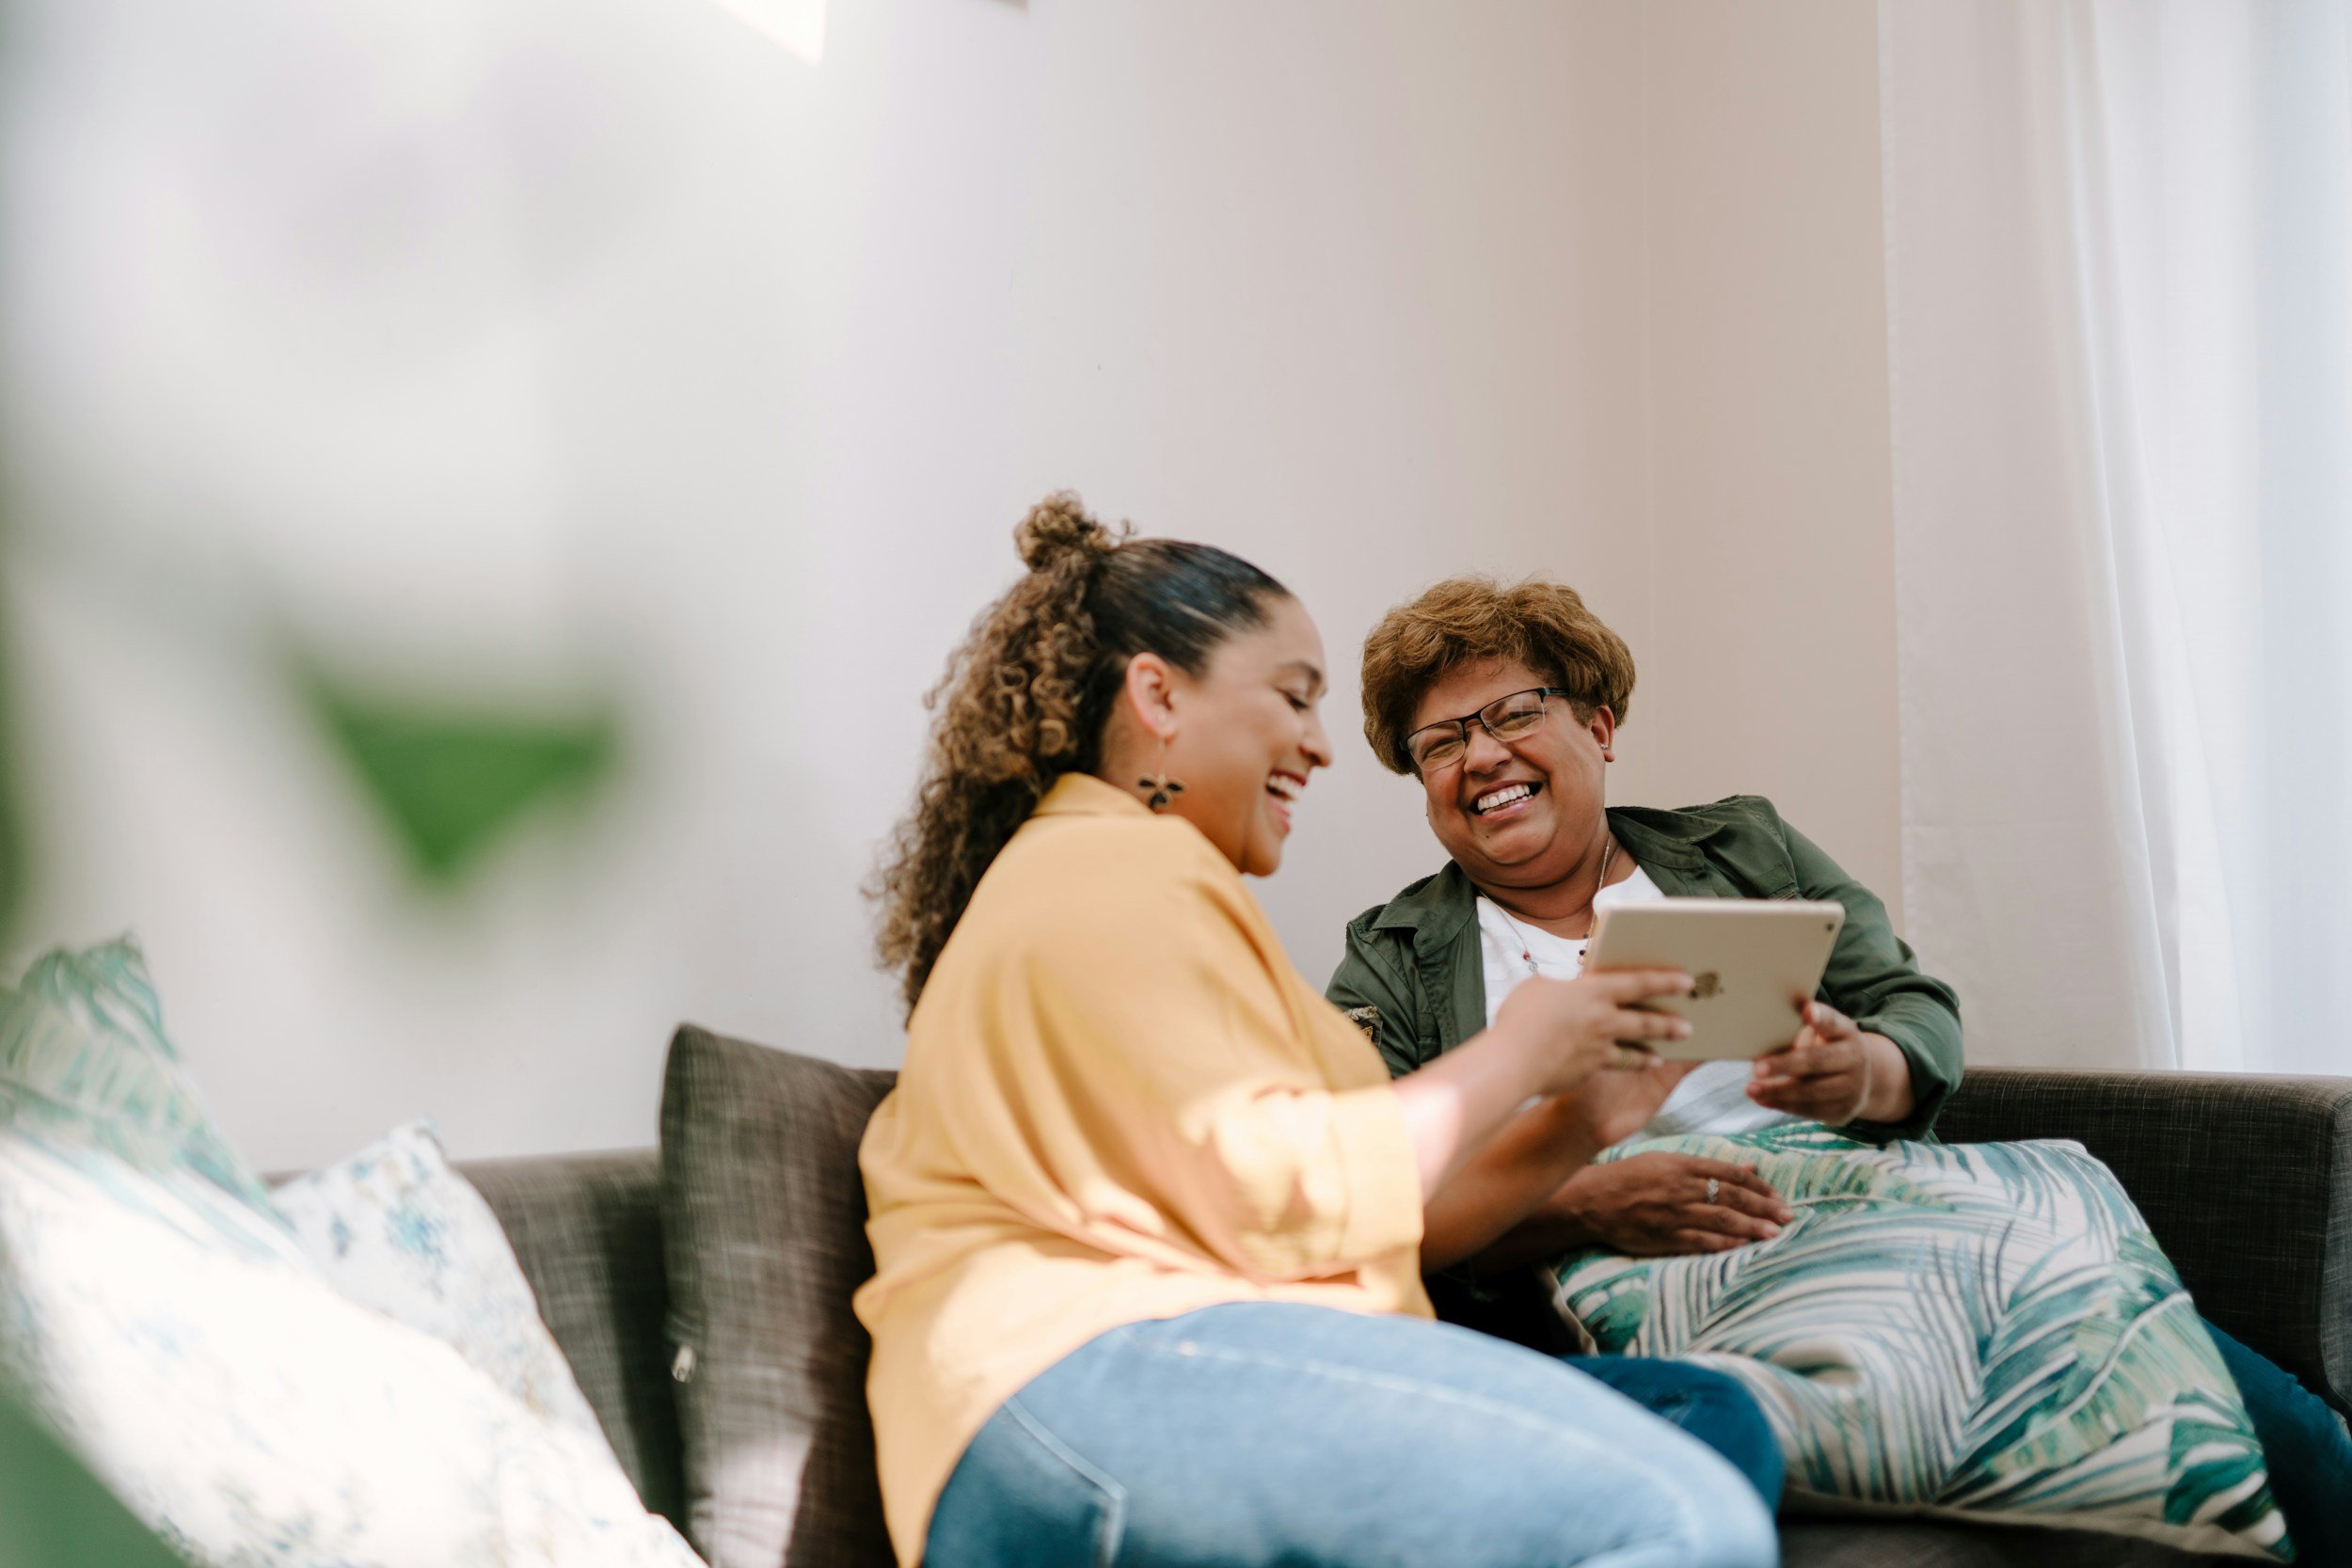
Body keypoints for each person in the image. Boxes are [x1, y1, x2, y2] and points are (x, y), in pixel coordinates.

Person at [1327, 572, 2352, 1560]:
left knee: (2290, 1431)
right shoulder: (1393, 957)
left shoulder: (1744, 847)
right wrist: (1589, 1202)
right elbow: (1381, 1201)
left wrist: (1862, 1070)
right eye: (1441, 741)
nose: (1481, 755)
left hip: (1877, 1212)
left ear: (1597, 727)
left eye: (1511, 712)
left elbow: (1915, 1010)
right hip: (1650, 1280)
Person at [855, 497, 1781, 1568]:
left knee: (1699, 1414)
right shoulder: (1113, 863)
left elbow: (1362, 1220)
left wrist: (1583, 1115)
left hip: (1188, 1363)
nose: (1322, 744)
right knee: (1680, 1515)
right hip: (1087, 1381)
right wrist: (1523, 1044)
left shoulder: (1157, 887)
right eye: (1293, 696)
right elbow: (1274, 1185)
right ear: (1156, 693)